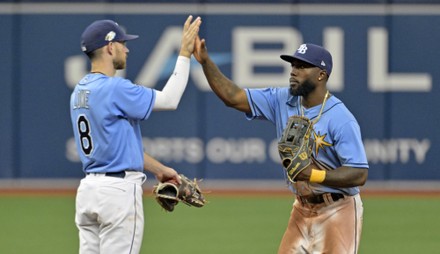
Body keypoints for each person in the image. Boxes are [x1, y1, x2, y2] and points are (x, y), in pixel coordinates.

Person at [194, 39, 368, 254]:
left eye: (302, 67)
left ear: (321, 75)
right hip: (301, 208)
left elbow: (359, 173)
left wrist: (313, 175)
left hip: (337, 209)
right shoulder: (282, 99)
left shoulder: (341, 118)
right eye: (293, 65)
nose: (294, 72)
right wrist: (205, 62)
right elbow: (233, 97)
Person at [70, 16, 201, 253]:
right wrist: (184, 53)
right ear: (110, 47)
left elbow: (120, 147)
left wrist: (160, 170)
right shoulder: (114, 88)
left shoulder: (79, 91)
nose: (126, 49)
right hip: (117, 194)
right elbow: (170, 100)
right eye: (122, 43)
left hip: (88, 192)